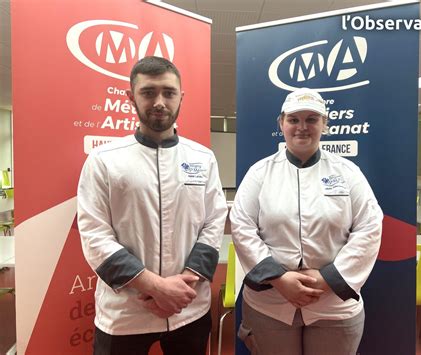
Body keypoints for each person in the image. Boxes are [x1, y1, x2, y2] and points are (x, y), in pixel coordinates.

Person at [77, 56, 228, 355]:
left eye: (169, 93)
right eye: (148, 92)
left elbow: (213, 221)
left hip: (188, 306)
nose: (159, 101)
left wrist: (183, 285)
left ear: (180, 97)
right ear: (131, 97)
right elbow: (94, 234)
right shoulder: (104, 160)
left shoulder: (202, 157)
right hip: (125, 314)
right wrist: (156, 288)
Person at [230, 88, 383, 355]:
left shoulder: (348, 173)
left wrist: (328, 279)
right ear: (282, 123)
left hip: (333, 305)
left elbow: (369, 227)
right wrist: (279, 278)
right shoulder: (260, 173)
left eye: (312, 119)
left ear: (325, 123)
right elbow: (242, 226)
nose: (302, 127)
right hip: (270, 303)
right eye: (294, 119)